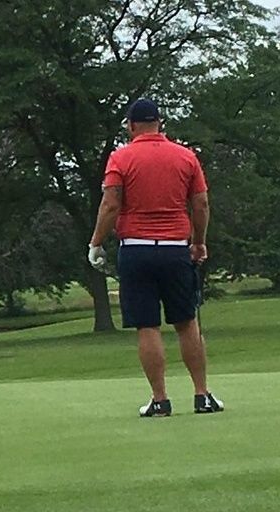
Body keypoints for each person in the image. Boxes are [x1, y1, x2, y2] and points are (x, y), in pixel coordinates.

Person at [89, 98, 224, 418]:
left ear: (132, 125)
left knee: (147, 326)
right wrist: (199, 243)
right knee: (186, 322)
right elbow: (201, 204)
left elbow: (110, 205)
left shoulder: (120, 158)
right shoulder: (185, 156)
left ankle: (160, 400)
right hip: (176, 249)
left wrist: (96, 243)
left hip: (135, 250)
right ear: (159, 123)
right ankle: (201, 395)